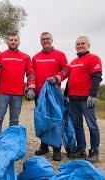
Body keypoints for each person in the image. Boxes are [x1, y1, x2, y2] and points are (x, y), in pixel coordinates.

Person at [66, 36, 103, 164]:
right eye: (78, 44)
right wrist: (66, 94)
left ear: (88, 45)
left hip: (87, 100)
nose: (80, 45)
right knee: (77, 125)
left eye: (83, 43)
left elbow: (97, 77)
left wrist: (93, 95)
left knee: (92, 125)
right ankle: (81, 149)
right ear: (75, 46)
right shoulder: (73, 62)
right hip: (73, 99)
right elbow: (69, 80)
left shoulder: (93, 59)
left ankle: (94, 151)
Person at [32, 32, 69, 161]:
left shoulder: (60, 54)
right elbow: (32, 74)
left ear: (52, 40)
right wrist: (29, 87)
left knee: (56, 120)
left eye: (48, 39)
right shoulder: (35, 57)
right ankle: (44, 146)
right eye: (43, 39)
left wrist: (57, 77)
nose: (46, 41)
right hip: (39, 94)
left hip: (54, 93)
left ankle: (57, 148)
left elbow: (66, 69)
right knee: (42, 120)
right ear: (40, 41)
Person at [0, 32, 35, 137]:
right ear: (7, 42)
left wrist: (31, 87)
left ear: (19, 42)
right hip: (2, 93)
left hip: (17, 94)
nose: (13, 42)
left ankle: (12, 141)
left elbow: (30, 73)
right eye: (11, 40)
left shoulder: (25, 57)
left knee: (14, 120)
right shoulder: (0, 56)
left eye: (15, 40)